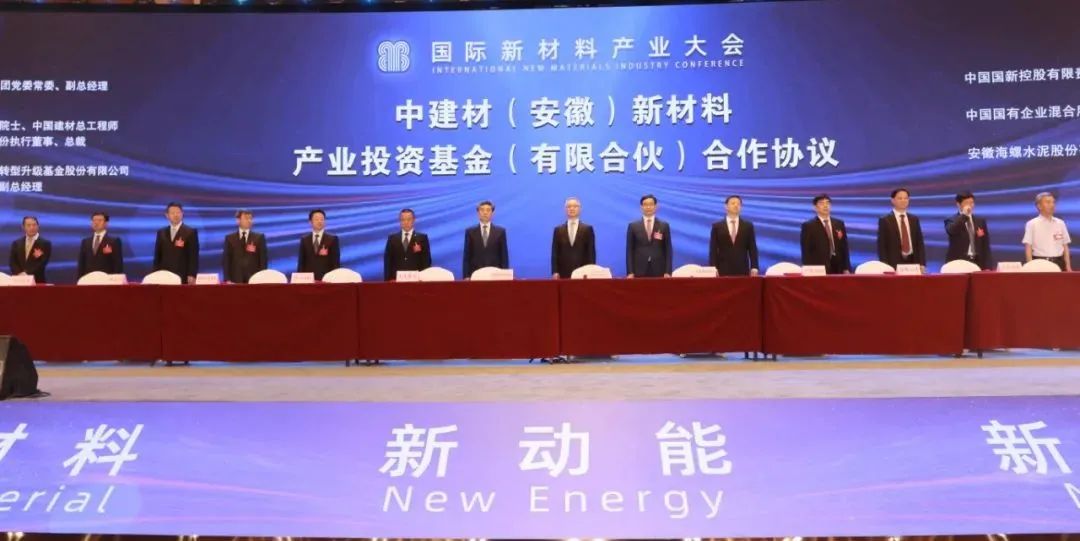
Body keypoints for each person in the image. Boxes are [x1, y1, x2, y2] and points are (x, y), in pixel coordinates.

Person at [876, 188, 926, 271]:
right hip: (893, 262)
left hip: (913, 261)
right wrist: (885, 265)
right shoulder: (885, 220)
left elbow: (919, 242)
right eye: (900, 198)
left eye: (906, 198)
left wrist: (922, 263)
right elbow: (882, 245)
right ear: (893, 200)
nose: (903, 201)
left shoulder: (914, 219)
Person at [800, 194, 851, 274]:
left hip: (838, 267)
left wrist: (846, 267)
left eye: (827, 203)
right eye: (821, 203)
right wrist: (808, 270)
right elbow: (806, 251)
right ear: (815, 207)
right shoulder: (808, 226)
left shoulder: (839, 224)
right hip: (819, 268)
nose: (825, 206)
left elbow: (844, 247)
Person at [709, 195, 759, 276]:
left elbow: (752, 248)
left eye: (738, 204)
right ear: (726, 206)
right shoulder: (717, 226)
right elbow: (713, 249)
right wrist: (713, 268)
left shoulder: (748, 226)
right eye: (733, 203)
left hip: (742, 269)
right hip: (723, 269)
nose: (736, 205)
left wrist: (754, 267)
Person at [626, 194, 673, 278]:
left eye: (651, 204)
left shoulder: (664, 226)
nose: (648, 207)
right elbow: (629, 250)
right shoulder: (633, 226)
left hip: (659, 269)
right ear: (641, 207)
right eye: (645, 204)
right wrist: (630, 272)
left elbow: (668, 250)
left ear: (656, 207)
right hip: (638, 269)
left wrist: (668, 271)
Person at [1023, 192, 1072, 271]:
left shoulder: (1060, 223)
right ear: (1039, 206)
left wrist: (1068, 266)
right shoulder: (1032, 224)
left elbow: (1065, 246)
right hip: (1039, 263)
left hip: (1059, 263)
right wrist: (1030, 267)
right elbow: (1028, 247)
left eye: (1053, 202)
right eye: (1048, 202)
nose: (1052, 205)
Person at [153, 202, 200, 283]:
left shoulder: (190, 232)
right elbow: (157, 256)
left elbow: (193, 256)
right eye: (172, 213)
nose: (176, 215)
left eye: (178, 212)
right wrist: (155, 273)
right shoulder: (161, 233)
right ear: (167, 215)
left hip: (182, 275)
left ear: (182, 214)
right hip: (164, 275)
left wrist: (192, 274)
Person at [944, 191, 993, 270]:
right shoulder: (951, 220)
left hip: (977, 263)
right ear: (958, 204)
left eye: (972, 202)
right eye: (967, 203)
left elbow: (985, 245)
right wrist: (964, 215)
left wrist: (988, 266)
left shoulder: (980, 221)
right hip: (958, 264)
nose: (970, 205)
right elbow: (951, 230)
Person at [550, 197, 596, 279]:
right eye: (569, 206)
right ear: (565, 210)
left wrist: (591, 271)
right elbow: (555, 252)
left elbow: (591, 253)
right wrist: (555, 271)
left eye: (575, 206)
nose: (572, 208)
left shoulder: (587, 229)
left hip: (583, 273)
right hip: (563, 273)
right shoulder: (558, 230)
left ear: (580, 209)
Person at [462, 200, 508, 279]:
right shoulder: (470, 232)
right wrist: (466, 276)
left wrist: (505, 276)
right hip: (475, 275)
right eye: (482, 210)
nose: (485, 212)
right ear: (478, 213)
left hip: (495, 275)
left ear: (492, 213)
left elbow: (504, 257)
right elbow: (466, 257)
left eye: (488, 210)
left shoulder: (500, 232)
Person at [384, 208, 431, 281]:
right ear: (400, 221)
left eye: (409, 219)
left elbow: (426, 261)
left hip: (417, 281)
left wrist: (424, 279)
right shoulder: (392, 239)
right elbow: (388, 261)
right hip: (396, 281)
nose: (406, 222)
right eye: (403, 220)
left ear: (414, 220)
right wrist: (388, 280)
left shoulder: (422, 238)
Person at [222, 209, 268, 283]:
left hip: (254, 280)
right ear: (238, 220)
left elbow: (263, 261)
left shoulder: (259, 238)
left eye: (251, 218)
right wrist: (227, 279)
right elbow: (226, 261)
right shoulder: (229, 239)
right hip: (235, 281)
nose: (249, 221)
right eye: (246, 218)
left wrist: (262, 278)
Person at [298, 209, 341, 281]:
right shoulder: (304, 240)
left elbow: (336, 263)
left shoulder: (332, 239)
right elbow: (301, 263)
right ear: (310, 222)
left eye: (322, 219)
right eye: (316, 219)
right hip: (308, 280)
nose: (319, 221)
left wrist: (334, 279)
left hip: (327, 280)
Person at [77, 211, 124, 278]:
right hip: (88, 279)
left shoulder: (114, 241)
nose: (96, 223)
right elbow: (81, 264)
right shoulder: (85, 242)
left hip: (106, 279)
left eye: (99, 220)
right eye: (94, 220)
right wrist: (80, 279)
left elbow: (118, 264)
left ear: (106, 223)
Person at [8, 216, 51, 283]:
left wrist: (26, 274)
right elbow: (12, 262)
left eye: (34, 225)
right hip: (18, 280)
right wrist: (19, 273)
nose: (32, 227)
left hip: (37, 281)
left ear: (38, 226)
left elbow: (42, 263)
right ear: (23, 227)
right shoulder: (16, 243)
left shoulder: (45, 244)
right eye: (28, 225)